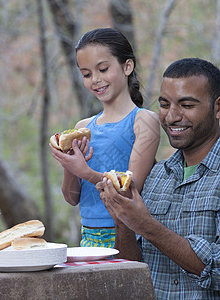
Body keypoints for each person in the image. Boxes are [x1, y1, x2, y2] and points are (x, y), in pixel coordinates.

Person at [97, 58, 220, 299]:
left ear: (219, 107)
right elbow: (132, 269)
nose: (172, 116)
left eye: (187, 105)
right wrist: (123, 219)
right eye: (164, 104)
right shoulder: (158, 175)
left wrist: (144, 224)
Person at [50, 28, 160, 248]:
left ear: (127, 66)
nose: (95, 80)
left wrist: (85, 171)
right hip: (88, 239)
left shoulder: (144, 121)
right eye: (87, 74)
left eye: (103, 69)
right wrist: (69, 163)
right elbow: (72, 198)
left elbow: (130, 187)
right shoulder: (83, 127)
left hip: (129, 235)